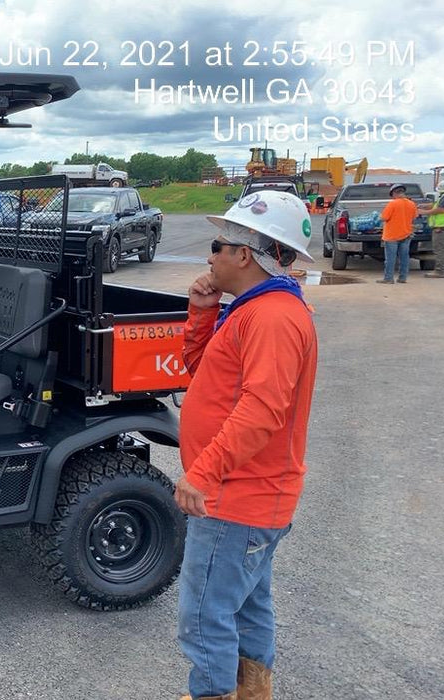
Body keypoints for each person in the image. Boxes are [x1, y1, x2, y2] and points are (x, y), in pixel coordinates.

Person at [176, 190, 319, 700]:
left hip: (238, 498)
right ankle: (253, 691)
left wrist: (204, 472)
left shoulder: (273, 318)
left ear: (244, 254)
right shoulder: (249, 309)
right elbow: (201, 374)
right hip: (250, 497)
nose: (209, 255)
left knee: (203, 618)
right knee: (249, 605)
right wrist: (201, 309)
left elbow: (263, 409)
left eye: (217, 245)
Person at [378, 183, 419, 284]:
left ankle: (388, 278)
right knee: (404, 257)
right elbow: (414, 217)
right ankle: (402, 278)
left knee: (390, 259)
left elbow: (384, 218)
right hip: (406, 234)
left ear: (394, 193)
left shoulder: (393, 204)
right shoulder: (411, 203)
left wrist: (379, 216)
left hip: (392, 235)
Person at [419, 179, 444, 278]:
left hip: (442, 226)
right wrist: (426, 206)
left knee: (440, 249)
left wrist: (423, 212)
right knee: (441, 249)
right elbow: (437, 205)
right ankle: (440, 270)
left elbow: (440, 209)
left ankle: (440, 271)